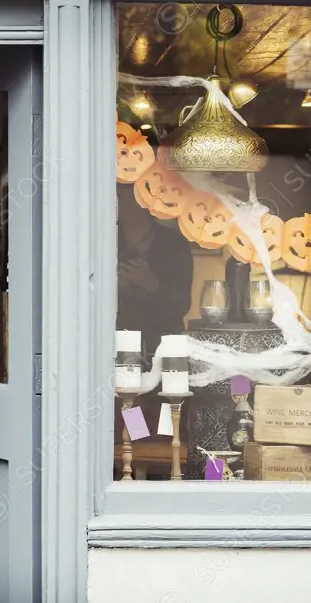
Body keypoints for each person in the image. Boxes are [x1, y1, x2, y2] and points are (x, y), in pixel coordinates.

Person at [115, 183, 194, 453]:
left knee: (163, 434)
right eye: (118, 195)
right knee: (128, 428)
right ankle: (131, 468)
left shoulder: (174, 246)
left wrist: (150, 284)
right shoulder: (106, 244)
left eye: (127, 196)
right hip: (120, 356)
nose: (121, 202)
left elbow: (181, 304)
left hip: (163, 355)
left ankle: (161, 473)